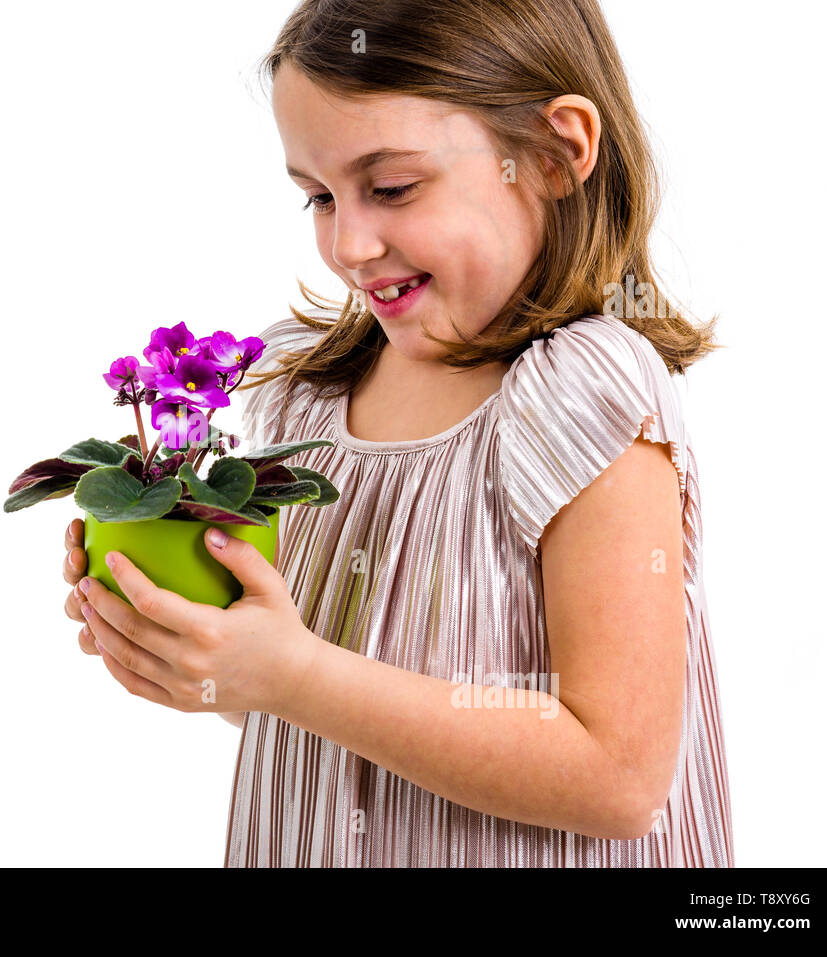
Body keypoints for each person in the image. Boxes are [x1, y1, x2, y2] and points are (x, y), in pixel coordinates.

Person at [62, 0, 734, 867]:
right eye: (318, 196)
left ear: (556, 153)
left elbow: (621, 775)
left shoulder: (580, 388)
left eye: (390, 188)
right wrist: (206, 656)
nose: (348, 241)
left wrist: (292, 675)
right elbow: (329, 692)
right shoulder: (303, 398)